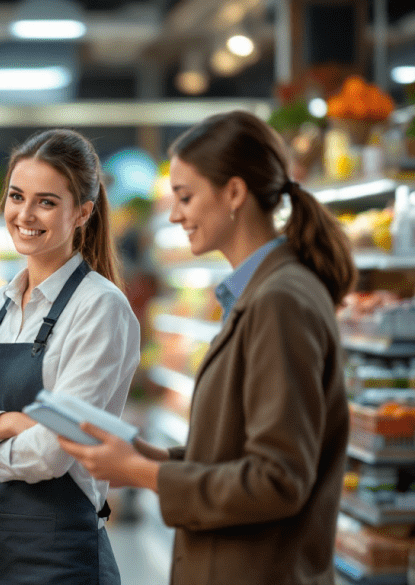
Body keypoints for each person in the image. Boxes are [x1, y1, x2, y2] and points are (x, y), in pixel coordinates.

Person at [60, 110, 355, 585]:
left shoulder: (280, 300)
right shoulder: (261, 292)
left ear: (234, 193)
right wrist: (147, 456)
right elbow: (240, 456)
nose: (174, 214)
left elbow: (276, 480)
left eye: (185, 197)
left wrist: (142, 474)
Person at [0, 128, 140, 585]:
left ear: (82, 212)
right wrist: (13, 423)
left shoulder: (100, 308)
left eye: (46, 201)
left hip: (62, 559)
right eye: (16, 196)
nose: (25, 214)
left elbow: (52, 454)